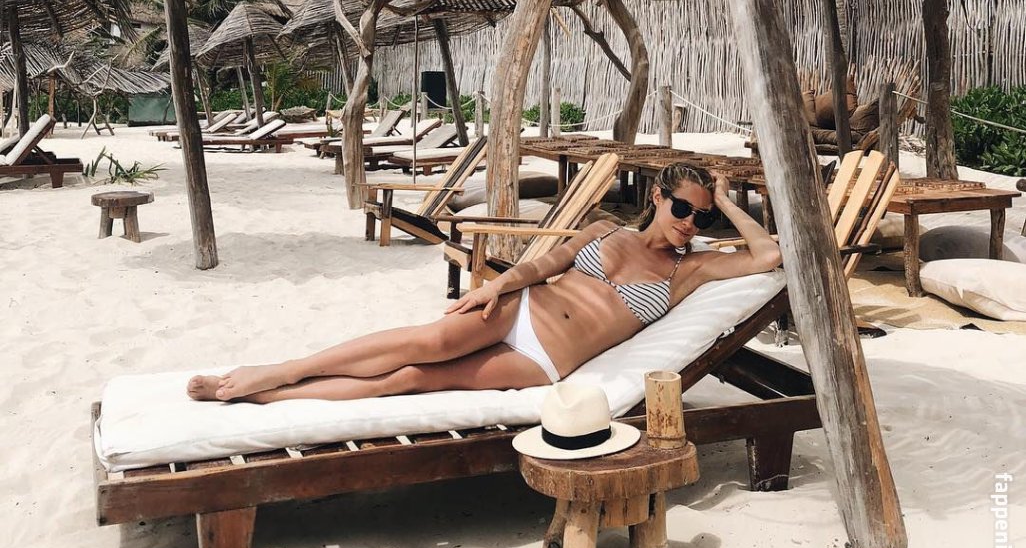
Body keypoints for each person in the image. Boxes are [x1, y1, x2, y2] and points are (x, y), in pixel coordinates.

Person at [187, 163, 782, 405]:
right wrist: (497, 287)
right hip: (519, 311)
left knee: (411, 380)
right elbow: (544, 265)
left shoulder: (692, 269)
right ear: (657, 196)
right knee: (422, 342)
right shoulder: (606, 229)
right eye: (683, 208)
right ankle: (282, 370)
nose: (689, 223)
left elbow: (768, 254)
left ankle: (272, 399)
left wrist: (725, 202)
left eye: (701, 217)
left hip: (546, 361)